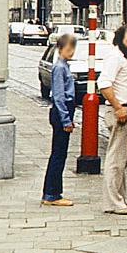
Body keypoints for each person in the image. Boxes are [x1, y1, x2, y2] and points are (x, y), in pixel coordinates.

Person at [98, 23, 127, 215]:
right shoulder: (115, 58)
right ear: (120, 40)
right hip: (121, 112)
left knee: (121, 159)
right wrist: (119, 108)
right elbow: (104, 84)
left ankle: (120, 198)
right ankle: (113, 203)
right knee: (116, 159)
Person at [41, 34, 77, 207]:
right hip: (61, 112)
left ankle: (53, 192)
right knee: (58, 154)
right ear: (60, 49)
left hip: (65, 112)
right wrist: (66, 120)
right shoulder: (59, 68)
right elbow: (59, 97)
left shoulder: (64, 66)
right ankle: (51, 193)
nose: (71, 52)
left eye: (72, 49)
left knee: (60, 153)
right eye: (68, 49)